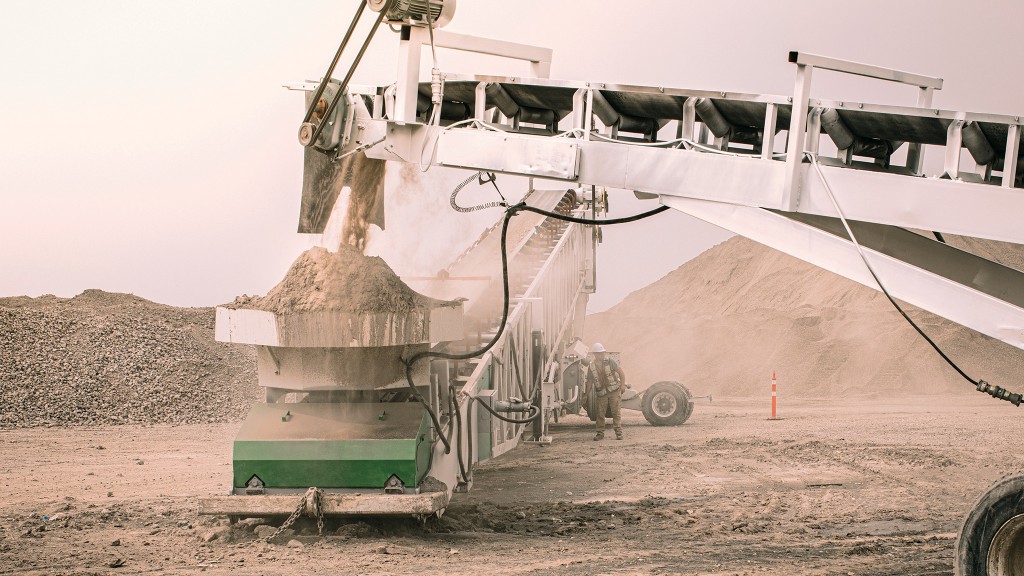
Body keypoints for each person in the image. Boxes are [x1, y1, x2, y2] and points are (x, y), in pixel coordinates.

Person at [588, 342, 627, 441]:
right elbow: (589, 382)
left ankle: (618, 433)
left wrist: (622, 385)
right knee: (600, 413)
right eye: (599, 353)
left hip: (614, 391)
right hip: (602, 393)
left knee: (616, 412)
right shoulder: (591, 367)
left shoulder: (610, 362)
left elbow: (621, 373)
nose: (601, 355)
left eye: (602, 353)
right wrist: (586, 394)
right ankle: (600, 433)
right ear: (595, 354)